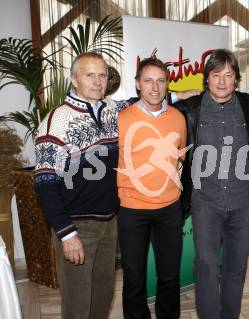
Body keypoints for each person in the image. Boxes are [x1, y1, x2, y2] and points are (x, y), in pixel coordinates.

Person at [35, 52, 125, 318]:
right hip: (77, 227)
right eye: (90, 75)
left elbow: (148, 101)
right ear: (74, 79)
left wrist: (185, 95)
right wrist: (67, 234)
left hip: (109, 223)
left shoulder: (112, 110)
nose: (98, 81)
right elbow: (44, 184)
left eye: (102, 75)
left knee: (102, 296)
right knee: (77, 304)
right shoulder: (55, 122)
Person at [173, 49, 249, 319]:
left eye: (228, 75)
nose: (222, 81)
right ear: (206, 79)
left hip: (241, 205)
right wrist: (176, 95)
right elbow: (152, 102)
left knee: (236, 267)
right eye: (215, 75)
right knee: (207, 266)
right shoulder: (191, 109)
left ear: (236, 79)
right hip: (205, 204)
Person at [117, 57, 187, 319]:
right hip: (132, 210)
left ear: (168, 84)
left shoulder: (179, 118)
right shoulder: (121, 120)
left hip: (169, 210)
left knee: (169, 276)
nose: (155, 87)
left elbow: (180, 160)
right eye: (148, 81)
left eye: (160, 81)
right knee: (134, 279)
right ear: (137, 84)